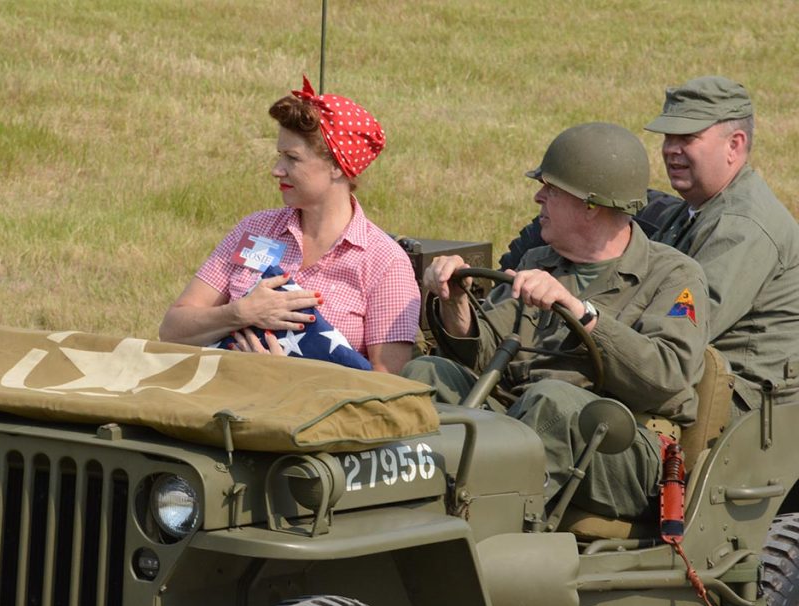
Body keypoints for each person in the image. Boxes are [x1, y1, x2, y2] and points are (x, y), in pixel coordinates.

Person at [403, 123, 710, 520]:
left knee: (554, 400)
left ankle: (479, 521)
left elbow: (667, 376)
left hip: (622, 444)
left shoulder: (674, 276)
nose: (538, 197)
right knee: (428, 373)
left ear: (590, 205)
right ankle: (402, 507)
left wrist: (582, 312)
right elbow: (483, 359)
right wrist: (455, 302)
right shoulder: (540, 261)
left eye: (551, 189)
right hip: (526, 421)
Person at [159, 76, 420, 374]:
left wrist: (288, 376)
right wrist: (241, 312)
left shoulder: (383, 262)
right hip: (219, 399)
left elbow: (389, 387)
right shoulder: (256, 230)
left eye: (292, 158)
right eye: (279, 155)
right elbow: (172, 329)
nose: (276, 170)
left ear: (337, 165)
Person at [643, 75, 799, 413]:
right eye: (669, 137)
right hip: (705, 383)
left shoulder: (742, 226)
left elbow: (682, 329)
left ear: (735, 144)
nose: (671, 149)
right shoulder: (698, 209)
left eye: (687, 137)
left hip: (743, 408)